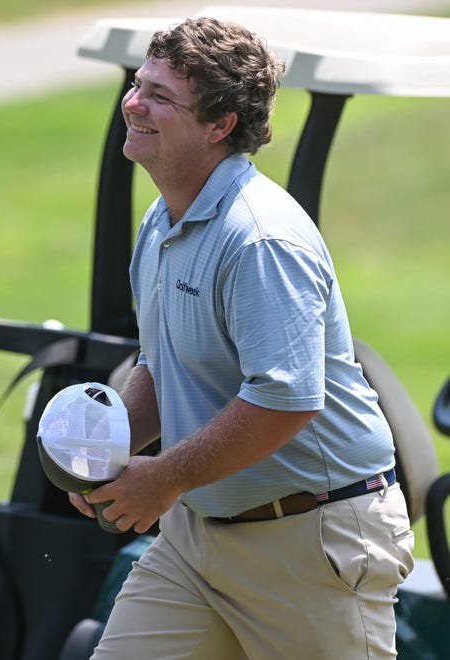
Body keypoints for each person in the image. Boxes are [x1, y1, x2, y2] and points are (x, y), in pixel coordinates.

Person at [70, 15, 414, 659]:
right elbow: (162, 364)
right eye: (139, 83)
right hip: (197, 539)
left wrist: (163, 477)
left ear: (219, 126)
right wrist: (105, 455)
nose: (134, 102)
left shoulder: (260, 239)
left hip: (312, 542)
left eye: (161, 97)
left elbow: (285, 400)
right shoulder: (161, 220)